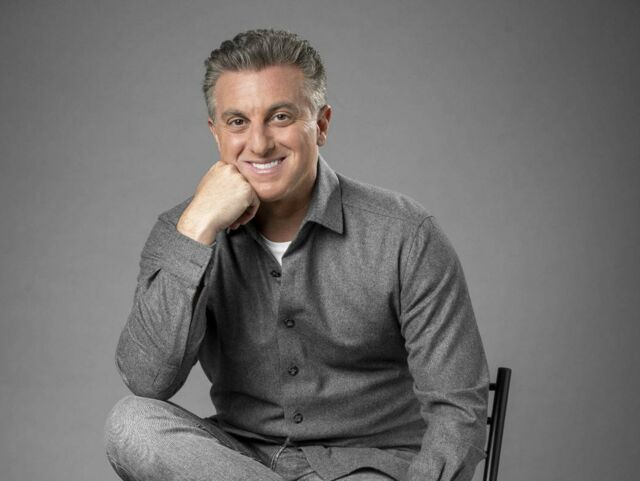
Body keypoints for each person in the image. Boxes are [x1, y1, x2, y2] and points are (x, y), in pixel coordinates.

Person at [104, 29, 489, 481]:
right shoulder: (184, 230)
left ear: (321, 125)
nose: (259, 143)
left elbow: (458, 411)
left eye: (281, 117)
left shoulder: (405, 234)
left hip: (370, 464)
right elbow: (148, 380)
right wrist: (197, 230)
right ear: (216, 133)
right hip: (239, 462)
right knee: (131, 423)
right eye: (237, 122)